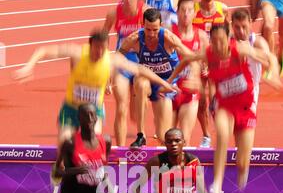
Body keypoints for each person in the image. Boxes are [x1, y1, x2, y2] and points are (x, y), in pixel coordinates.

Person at [168, 23, 280, 193]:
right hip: (225, 105)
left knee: (242, 163)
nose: (219, 45)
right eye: (215, 41)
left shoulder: (241, 49)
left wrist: (273, 75)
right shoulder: (209, 53)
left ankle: (242, 183)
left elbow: (269, 58)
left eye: (222, 41)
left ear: (228, 39)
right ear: (211, 41)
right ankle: (217, 184)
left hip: (245, 107)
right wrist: (171, 80)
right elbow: (186, 61)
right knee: (222, 134)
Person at [14, 29, 177, 146]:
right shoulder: (77, 54)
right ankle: (60, 173)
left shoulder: (111, 60)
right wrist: (29, 66)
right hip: (71, 108)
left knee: (92, 144)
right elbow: (43, 50)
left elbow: (141, 69)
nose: (100, 52)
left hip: (94, 111)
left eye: (103, 48)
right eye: (97, 48)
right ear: (90, 45)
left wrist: (164, 83)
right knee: (64, 145)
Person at [119, 8, 192, 146]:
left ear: (161, 26)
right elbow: (117, 56)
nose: (151, 34)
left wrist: (200, 70)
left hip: (165, 84)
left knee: (162, 135)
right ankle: (141, 135)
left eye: (155, 30)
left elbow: (189, 55)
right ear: (142, 25)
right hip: (148, 80)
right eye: (148, 30)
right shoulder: (134, 38)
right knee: (140, 82)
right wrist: (110, 77)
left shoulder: (168, 38)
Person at [102, 0, 147, 146]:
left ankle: (141, 135)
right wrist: (106, 68)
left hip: (140, 62)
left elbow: (158, 36)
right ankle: (121, 151)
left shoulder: (144, 11)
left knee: (135, 113)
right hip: (121, 61)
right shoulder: (114, 13)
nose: (128, 0)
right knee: (121, 107)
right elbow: (103, 37)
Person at [171, 0, 209, 146]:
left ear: (195, 13)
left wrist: (205, 68)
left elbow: (209, 62)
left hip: (190, 93)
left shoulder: (201, 37)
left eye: (189, 10)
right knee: (165, 138)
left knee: (183, 141)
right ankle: (166, 169)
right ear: (177, 12)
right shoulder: (169, 33)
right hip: (171, 91)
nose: (186, 14)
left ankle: (181, 169)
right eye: (183, 10)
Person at [192, 0, 229, 148]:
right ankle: (206, 135)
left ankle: (221, 133)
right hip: (199, 62)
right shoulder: (192, 9)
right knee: (201, 102)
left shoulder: (223, 9)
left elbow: (227, 36)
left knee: (216, 101)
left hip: (216, 62)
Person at [249, 0, 283, 76]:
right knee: (268, 26)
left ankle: (281, 53)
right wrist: (254, 7)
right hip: (269, 0)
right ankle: (272, 59)